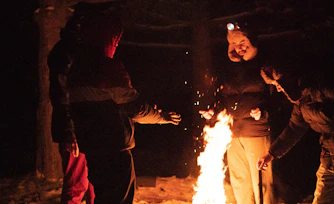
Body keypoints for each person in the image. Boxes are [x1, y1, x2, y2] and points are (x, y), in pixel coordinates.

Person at [67, 12, 181, 203]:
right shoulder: (108, 69)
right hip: (113, 149)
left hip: (93, 148)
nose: (117, 44)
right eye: (115, 39)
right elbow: (134, 108)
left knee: (104, 197)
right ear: (105, 38)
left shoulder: (77, 69)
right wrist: (162, 116)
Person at [257, 66, 334, 203]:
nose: (278, 89)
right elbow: (295, 128)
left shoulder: (322, 87)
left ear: (287, 79)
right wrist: (271, 154)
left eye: (278, 84)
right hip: (329, 157)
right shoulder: (300, 101)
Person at [199, 19, 289, 204]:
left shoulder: (265, 65)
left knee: (261, 182)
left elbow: (282, 97)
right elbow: (224, 99)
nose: (238, 47)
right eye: (233, 44)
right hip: (232, 133)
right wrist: (213, 111)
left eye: (242, 43)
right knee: (240, 181)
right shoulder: (227, 69)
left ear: (251, 42)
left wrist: (264, 112)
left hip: (256, 132)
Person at [48, 11, 95, 204]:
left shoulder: (83, 51)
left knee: (95, 184)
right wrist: (71, 132)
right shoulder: (67, 53)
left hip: (87, 126)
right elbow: (63, 94)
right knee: (76, 186)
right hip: (76, 128)